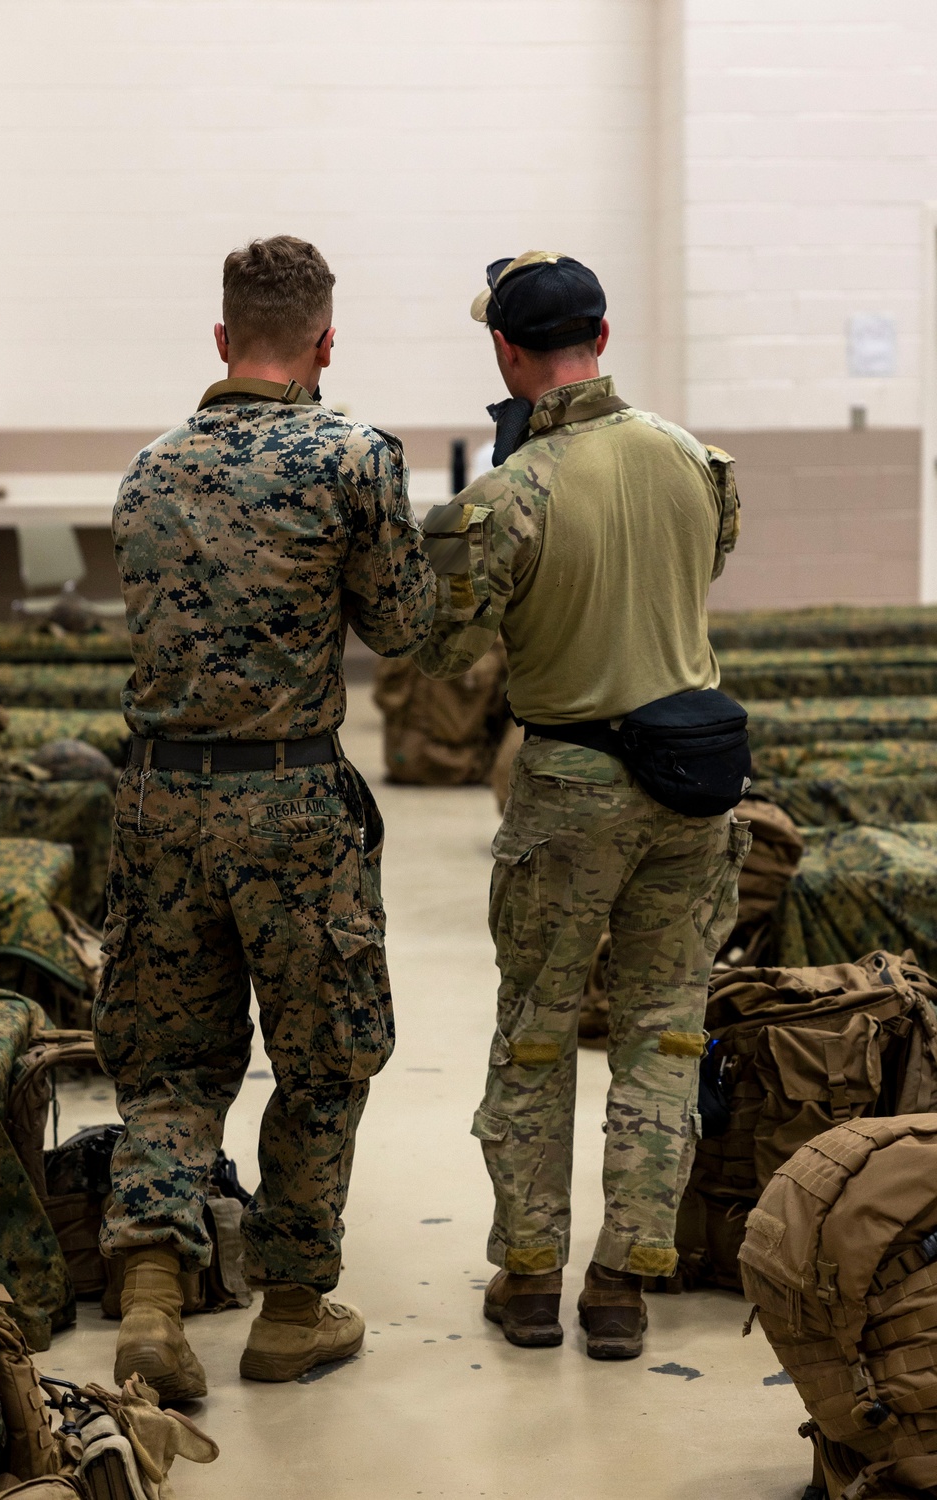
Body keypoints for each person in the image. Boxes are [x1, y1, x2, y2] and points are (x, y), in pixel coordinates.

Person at [95, 235, 435, 1396]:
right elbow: (399, 629)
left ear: (221, 338)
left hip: (155, 801)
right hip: (289, 803)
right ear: (326, 343)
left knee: (171, 1066)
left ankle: (150, 1298)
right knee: (323, 1055)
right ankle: (291, 1308)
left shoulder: (147, 468)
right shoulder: (354, 459)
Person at [415, 251, 749, 1360]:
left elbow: (443, 649)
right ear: (600, 338)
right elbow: (703, 563)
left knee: (536, 1037)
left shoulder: (506, 496)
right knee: (662, 1037)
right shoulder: (691, 459)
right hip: (694, 783)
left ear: (507, 354)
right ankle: (621, 1284)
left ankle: (527, 1279)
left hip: (568, 785)